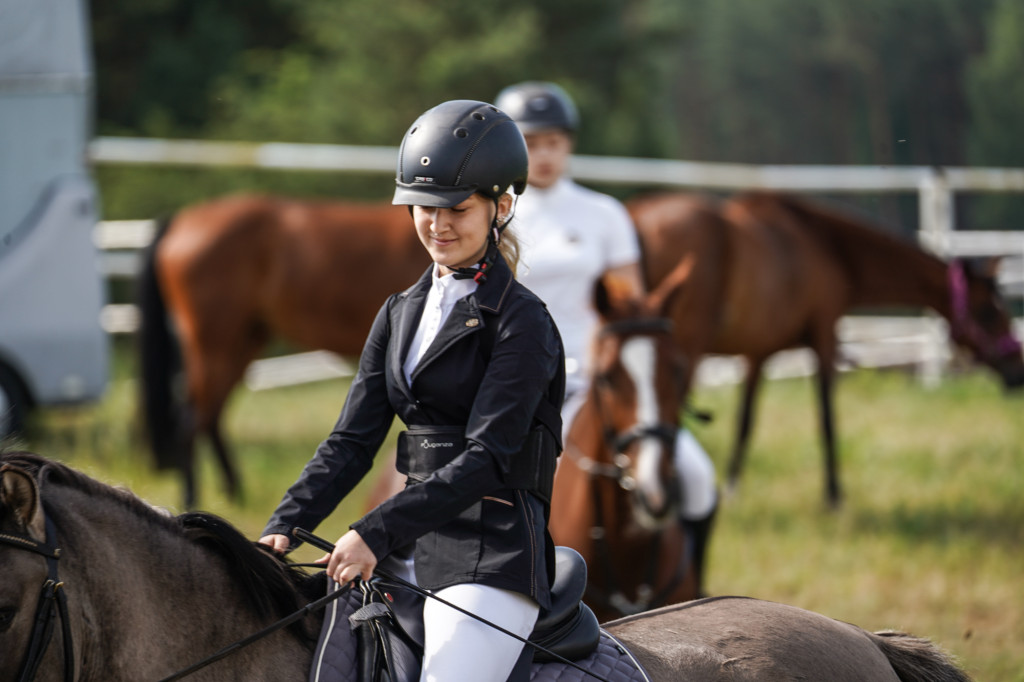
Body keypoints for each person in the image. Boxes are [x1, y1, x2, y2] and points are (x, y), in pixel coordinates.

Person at [259, 100, 566, 682]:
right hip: (407, 541)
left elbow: (489, 457)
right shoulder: (400, 312)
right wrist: (283, 526)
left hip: (490, 552)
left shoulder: (523, 321)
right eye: (423, 206)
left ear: (501, 206)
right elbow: (352, 440)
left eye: (457, 207)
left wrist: (373, 530)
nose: (437, 223)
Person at [494, 81, 719, 595]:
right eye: (530, 142)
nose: (544, 154)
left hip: (605, 382)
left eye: (554, 141)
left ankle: (695, 587)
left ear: (569, 144)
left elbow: (629, 306)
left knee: (697, 474)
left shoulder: (604, 214)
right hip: (522, 386)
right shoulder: (493, 217)